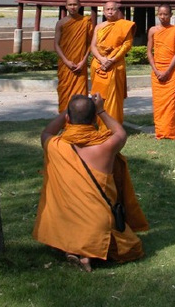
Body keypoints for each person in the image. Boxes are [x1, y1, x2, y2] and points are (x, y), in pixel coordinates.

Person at [33, 93, 148, 272]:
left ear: (68, 119)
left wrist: (67, 110)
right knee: (131, 248)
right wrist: (101, 110)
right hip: (99, 224)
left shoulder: (55, 146)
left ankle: (75, 248)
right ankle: (87, 252)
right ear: (94, 118)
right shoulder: (105, 147)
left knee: (68, 218)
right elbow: (120, 132)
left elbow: (47, 132)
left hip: (67, 222)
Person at [147, 4, 175, 140]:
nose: (163, 17)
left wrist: (167, 71)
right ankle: (160, 131)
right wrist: (156, 69)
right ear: (157, 15)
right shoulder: (153, 30)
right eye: (160, 14)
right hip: (157, 71)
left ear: (171, 15)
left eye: (166, 14)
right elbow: (149, 51)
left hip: (170, 71)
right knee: (159, 103)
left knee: (170, 103)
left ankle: (170, 133)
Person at [90, 1, 135, 124]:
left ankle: (113, 125)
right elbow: (93, 46)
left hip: (116, 64)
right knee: (99, 96)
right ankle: (99, 123)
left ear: (117, 11)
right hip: (99, 64)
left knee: (114, 97)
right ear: (103, 11)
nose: (110, 11)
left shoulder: (125, 26)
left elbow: (127, 45)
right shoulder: (99, 27)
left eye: (113, 9)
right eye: (107, 9)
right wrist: (102, 59)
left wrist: (112, 60)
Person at [54, 0, 93, 112]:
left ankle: (81, 122)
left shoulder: (86, 22)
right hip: (66, 65)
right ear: (66, 6)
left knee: (80, 96)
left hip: (80, 65)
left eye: (75, 4)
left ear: (79, 5)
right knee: (65, 93)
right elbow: (56, 44)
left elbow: (91, 44)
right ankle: (65, 123)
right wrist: (66, 61)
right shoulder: (61, 23)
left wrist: (83, 61)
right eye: (70, 4)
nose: (72, 7)